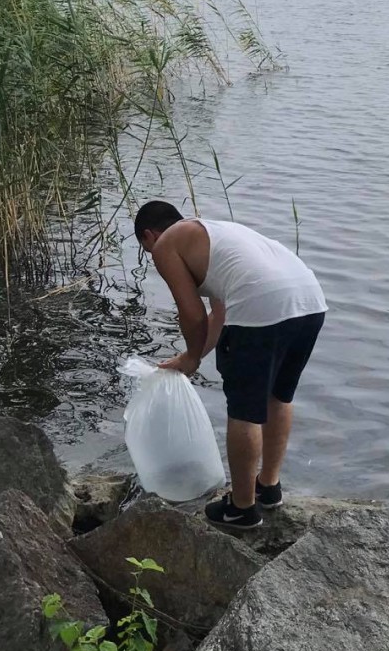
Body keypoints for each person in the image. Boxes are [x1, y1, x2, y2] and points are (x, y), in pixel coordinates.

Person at [133, 201, 327, 530]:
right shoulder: (212, 234)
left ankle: (242, 508)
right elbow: (220, 315)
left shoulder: (166, 245)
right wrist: (193, 357)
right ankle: (268, 487)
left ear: (150, 236)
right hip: (310, 301)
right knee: (279, 396)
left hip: (264, 304)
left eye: (146, 248)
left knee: (243, 412)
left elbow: (192, 314)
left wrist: (191, 356)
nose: (153, 256)